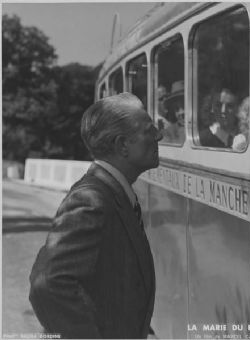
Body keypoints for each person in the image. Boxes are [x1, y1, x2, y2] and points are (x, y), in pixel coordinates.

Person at [29, 93, 162, 339]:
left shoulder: (114, 193)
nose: (159, 135)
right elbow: (46, 285)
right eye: (149, 130)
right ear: (123, 145)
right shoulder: (94, 199)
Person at [161, 80, 185, 144]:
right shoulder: (168, 132)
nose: (181, 112)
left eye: (184, 106)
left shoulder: (201, 130)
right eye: (176, 109)